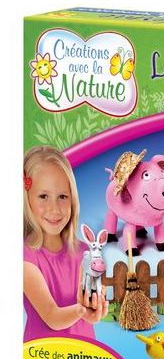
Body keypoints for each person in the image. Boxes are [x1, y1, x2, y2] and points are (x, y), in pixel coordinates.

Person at [23, 146, 108, 341]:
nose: (54, 209)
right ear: (27, 199)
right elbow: (52, 316)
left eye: (62, 196)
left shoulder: (84, 252)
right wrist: (81, 310)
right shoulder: (25, 256)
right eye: (43, 196)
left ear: (72, 199)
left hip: (85, 351)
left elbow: (90, 304)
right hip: (43, 354)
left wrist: (95, 308)